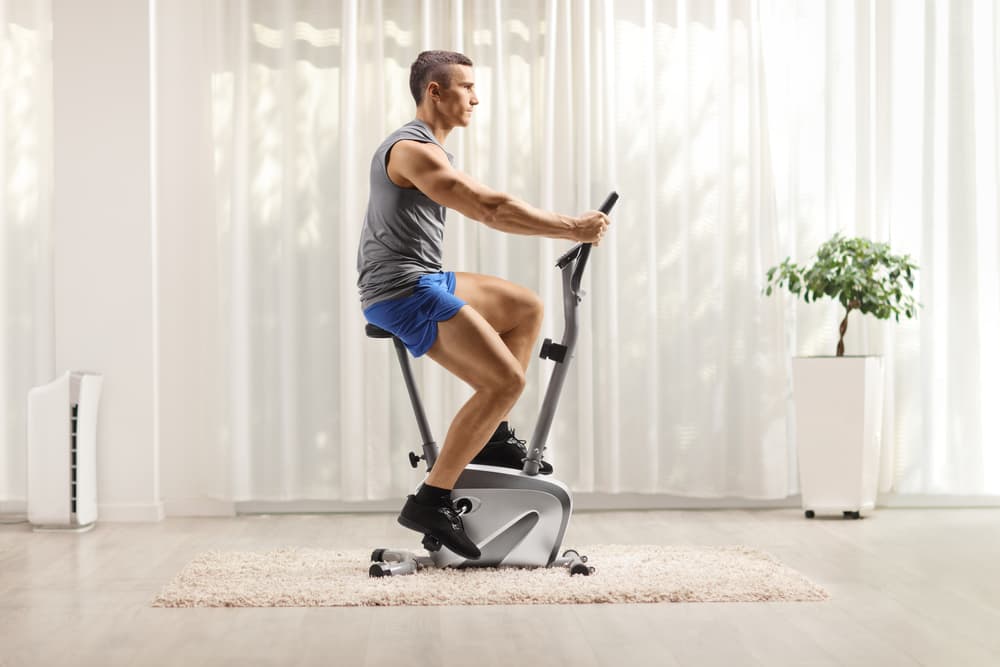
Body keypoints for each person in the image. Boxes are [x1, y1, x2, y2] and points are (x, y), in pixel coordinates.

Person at [356, 50, 609, 559]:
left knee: (524, 307)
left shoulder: (430, 148)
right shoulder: (412, 151)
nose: (476, 96)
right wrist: (571, 226)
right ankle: (431, 498)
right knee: (506, 381)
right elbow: (490, 209)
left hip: (422, 275)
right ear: (435, 92)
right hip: (399, 288)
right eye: (466, 86)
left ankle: (491, 433)